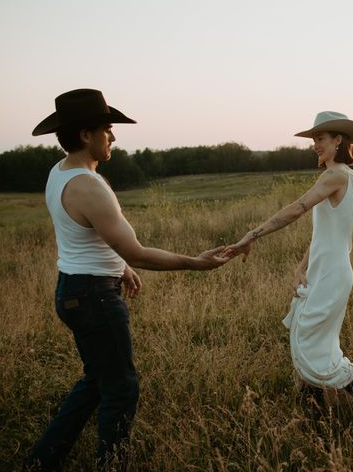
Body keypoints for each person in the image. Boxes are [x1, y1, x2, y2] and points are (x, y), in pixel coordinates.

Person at [24, 89, 230, 471]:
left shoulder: (60, 171)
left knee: (96, 381)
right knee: (121, 388)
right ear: (86, 134)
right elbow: (134, 250)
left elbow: (88, 237)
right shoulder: (88, 186)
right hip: (94, 298)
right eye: (107, 129)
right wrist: (195, 263)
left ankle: (42, 461)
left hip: (74, 288)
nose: (114, 137)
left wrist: (120, 266)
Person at [224, 111, 353, 402]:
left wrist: (251, 235)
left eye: (320, 138)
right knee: (308, 345)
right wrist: (302, 269)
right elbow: (323, 235)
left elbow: (298, 207)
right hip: (324, 272)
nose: (315, 145)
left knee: (313, 348)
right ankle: (313, 413)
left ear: (338, 139)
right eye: (313, 140)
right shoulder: (342, 175)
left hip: (332, 275)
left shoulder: (336, 175)